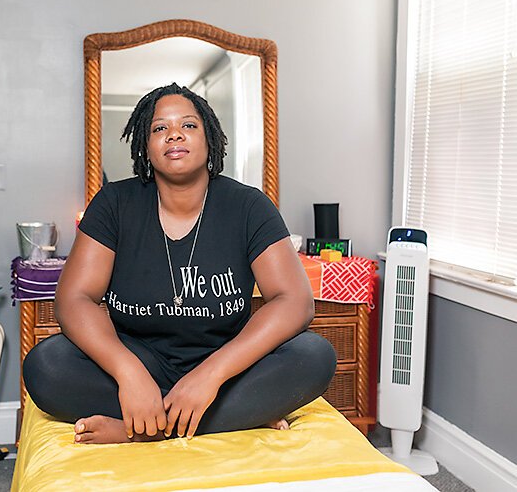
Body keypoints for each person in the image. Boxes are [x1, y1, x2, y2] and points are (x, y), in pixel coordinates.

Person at [23, 83, 336, 444]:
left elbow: (294, 301)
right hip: (138, 357)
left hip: (226, 364)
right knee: (46, 365)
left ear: (209, 139)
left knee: (314, 355)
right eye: (160, 128)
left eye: (188, 125)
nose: (174, 134)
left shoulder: (249, 206)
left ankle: (144, 431)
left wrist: (211, 375)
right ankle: (236, 416)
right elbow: (74, 300)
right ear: (145, 145)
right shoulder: (114, 204)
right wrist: (129, 373)